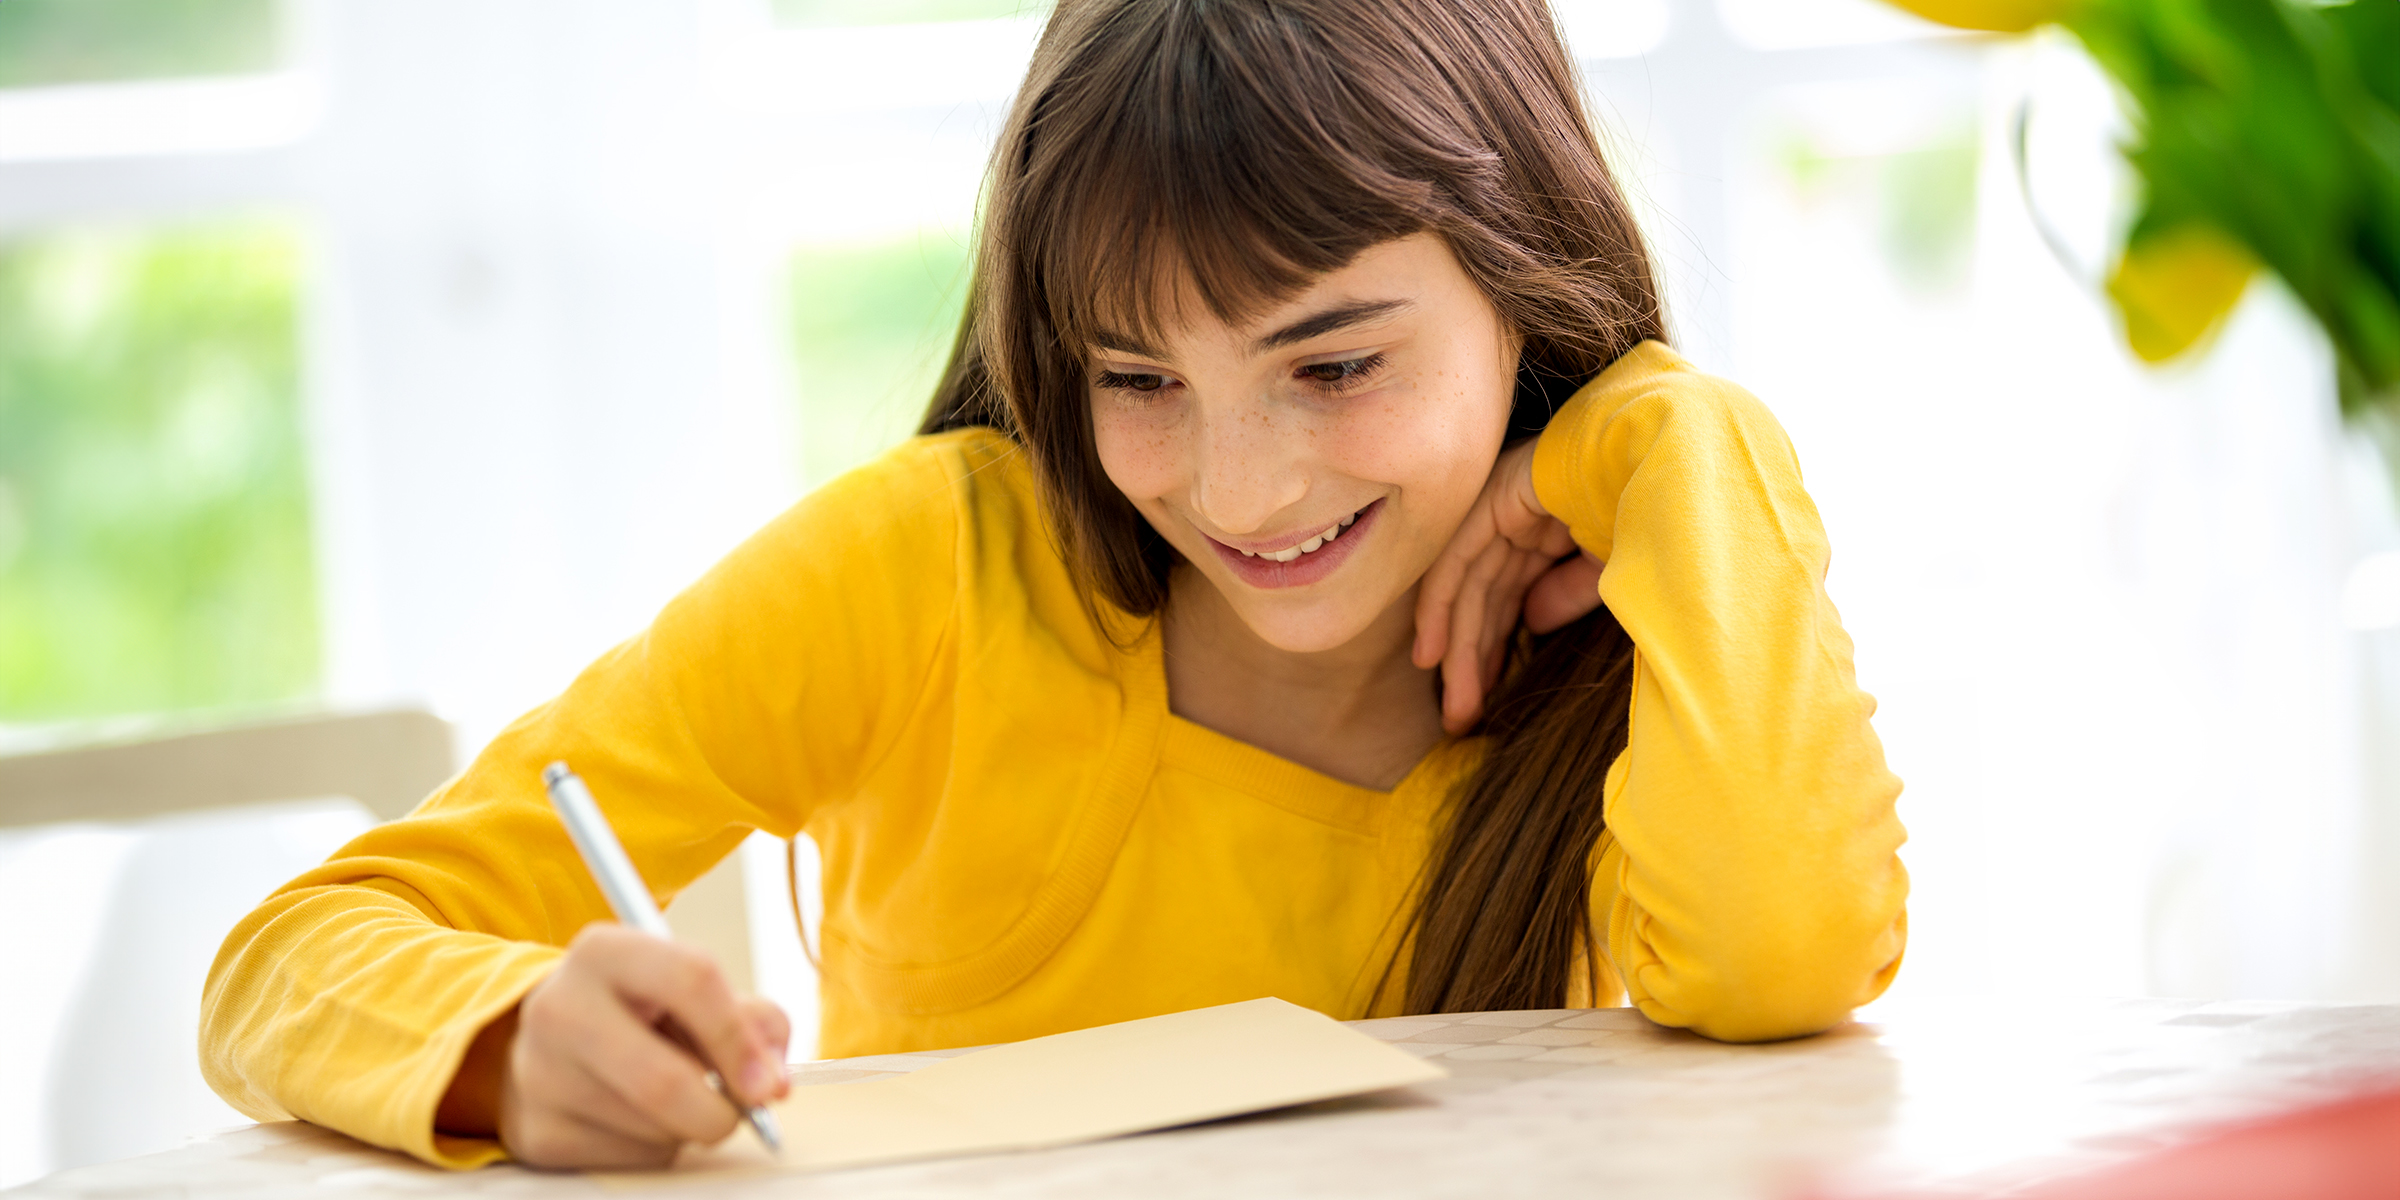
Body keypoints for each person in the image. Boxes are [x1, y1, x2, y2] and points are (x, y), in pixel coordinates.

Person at [200, 0, 1909, 1171]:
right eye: (1136, 379)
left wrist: (1671, 433)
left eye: (1332, 367)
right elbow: (290, 959)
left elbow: (1778, 961)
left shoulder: (1635, 596)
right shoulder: (926, 571)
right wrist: (510, 1039)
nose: (1240, 489)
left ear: (1527, 286)